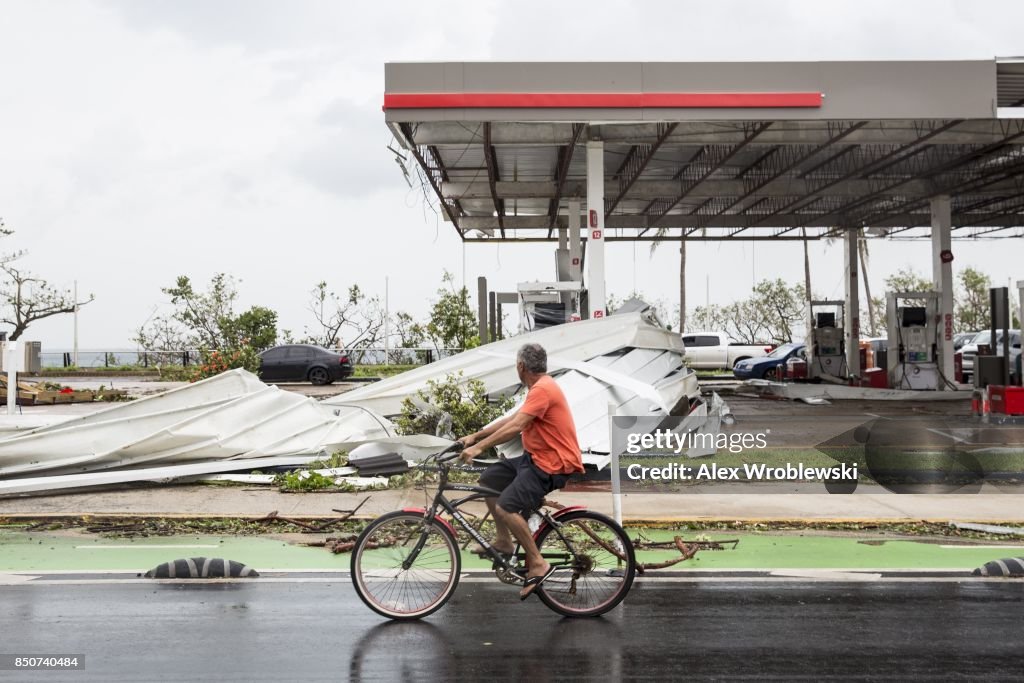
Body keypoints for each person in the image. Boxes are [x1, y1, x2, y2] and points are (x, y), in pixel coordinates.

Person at [458, 342, 583, 600]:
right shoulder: (539, 389)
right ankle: (504, 540)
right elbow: (512, 420)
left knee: (506, 506)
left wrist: (479, 448)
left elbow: (517, 427)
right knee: (489, 480)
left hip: (551, 465)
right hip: (535, 459)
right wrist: (474, 436)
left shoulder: (543, 390)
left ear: (521, 366)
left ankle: (537, 562)